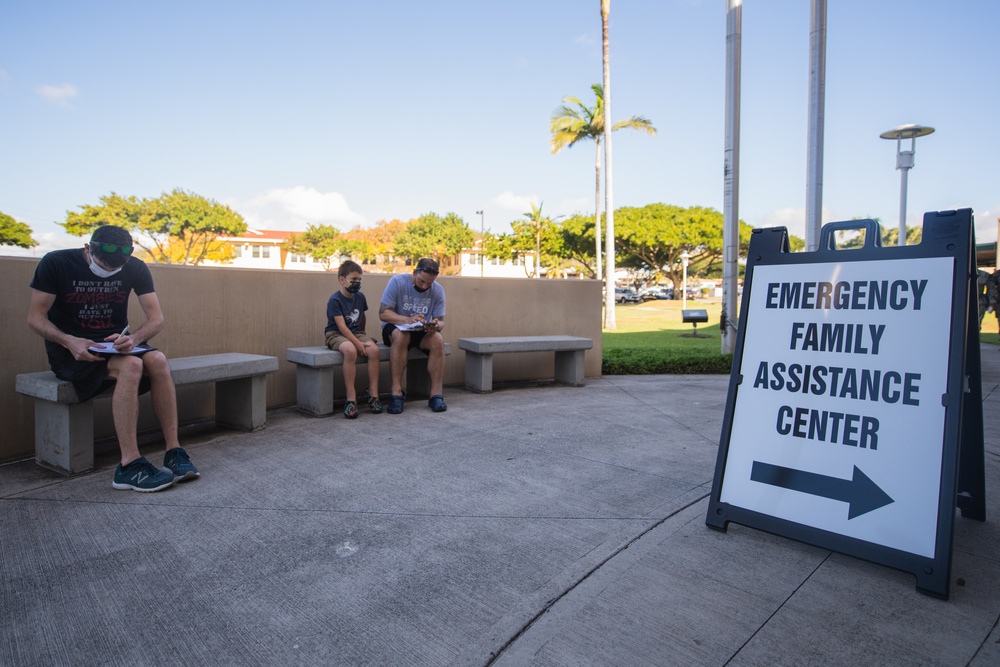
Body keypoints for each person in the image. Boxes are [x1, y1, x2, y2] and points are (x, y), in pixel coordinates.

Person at [26, 225, 198, 492]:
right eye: (103, 266)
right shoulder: (57, 262)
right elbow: (35, 317)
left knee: (158, 360)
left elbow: (156, 318)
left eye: (115, 269)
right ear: (88, 249)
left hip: (117, 346)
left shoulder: (135, 267)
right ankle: (129, 465)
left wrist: (135, 339)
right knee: (132, 365)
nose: (108, 272)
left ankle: (173, 452)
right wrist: (70, 341)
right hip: (72, 351)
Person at [379, 258, 447, 414]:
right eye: (422, 281)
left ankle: (435, 395)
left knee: (438, 338)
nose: (425, 286)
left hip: (420, 330)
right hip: (395, 327)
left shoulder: (437, 290)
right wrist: (407, 320)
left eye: (429, 284)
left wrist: (435, 325)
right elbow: (383, 313)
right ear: (415, 272)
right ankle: (396, 393)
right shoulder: (397, 282)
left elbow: (441, 321)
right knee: (402, 336)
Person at [325, 260, 382, 418]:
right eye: (353, 280)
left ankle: (373, 393)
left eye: (359, 280)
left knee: (374, 350)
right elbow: (342, 327)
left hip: (355, 333)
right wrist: (358, 343)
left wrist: (364, 336)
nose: (357, 283)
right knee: (350, 350)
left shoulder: (360, 297)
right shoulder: (335, 300)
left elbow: (362, 316)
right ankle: (351, 398)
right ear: (342, 280)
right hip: (335, 334)